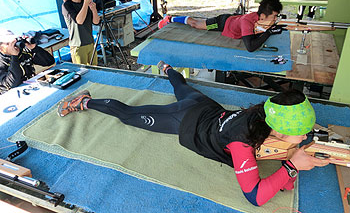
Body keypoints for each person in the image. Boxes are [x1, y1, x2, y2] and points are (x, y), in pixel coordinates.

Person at [57, 61, 329, 206]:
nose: (305, 137)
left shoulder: (267, 112)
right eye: (300, 133)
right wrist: (292, 166)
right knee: (130, 116)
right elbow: (255, 197)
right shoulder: (241, 142)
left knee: (182, 89)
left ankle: (167, 69)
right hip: (185, 120)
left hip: (206, 109)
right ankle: (85, 102)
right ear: (279, 129)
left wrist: (292, 158)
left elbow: (284, 162)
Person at [157, 0, 284, 52]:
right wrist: (268, 33)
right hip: (221, 23)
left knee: (197, 24)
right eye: (274, 16)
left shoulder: (261, 18)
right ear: (262, 15)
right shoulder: (247, 22)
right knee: (196, 24)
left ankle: (171, 19)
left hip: (233, 20)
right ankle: (170, 19)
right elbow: (250, 47)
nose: (275, 19)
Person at [0, 28, 55, 94]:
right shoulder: (2, 62)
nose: (13, 45)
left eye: (13, 42)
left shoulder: (23, 52)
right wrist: (14, 57)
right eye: (8, 43)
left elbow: (49, 62)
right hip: (11, 95)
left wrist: (34, 48)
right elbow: (12, 84)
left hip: (30, 88)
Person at [62, 0, 100, 65]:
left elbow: (96, 22)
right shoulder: (67, 5)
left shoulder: (84, 2)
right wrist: (86, 4)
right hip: (78, 45)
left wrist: (94, 10)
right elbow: (79, 21)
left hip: (90, 42)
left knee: (95, 71)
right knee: (83, 73)